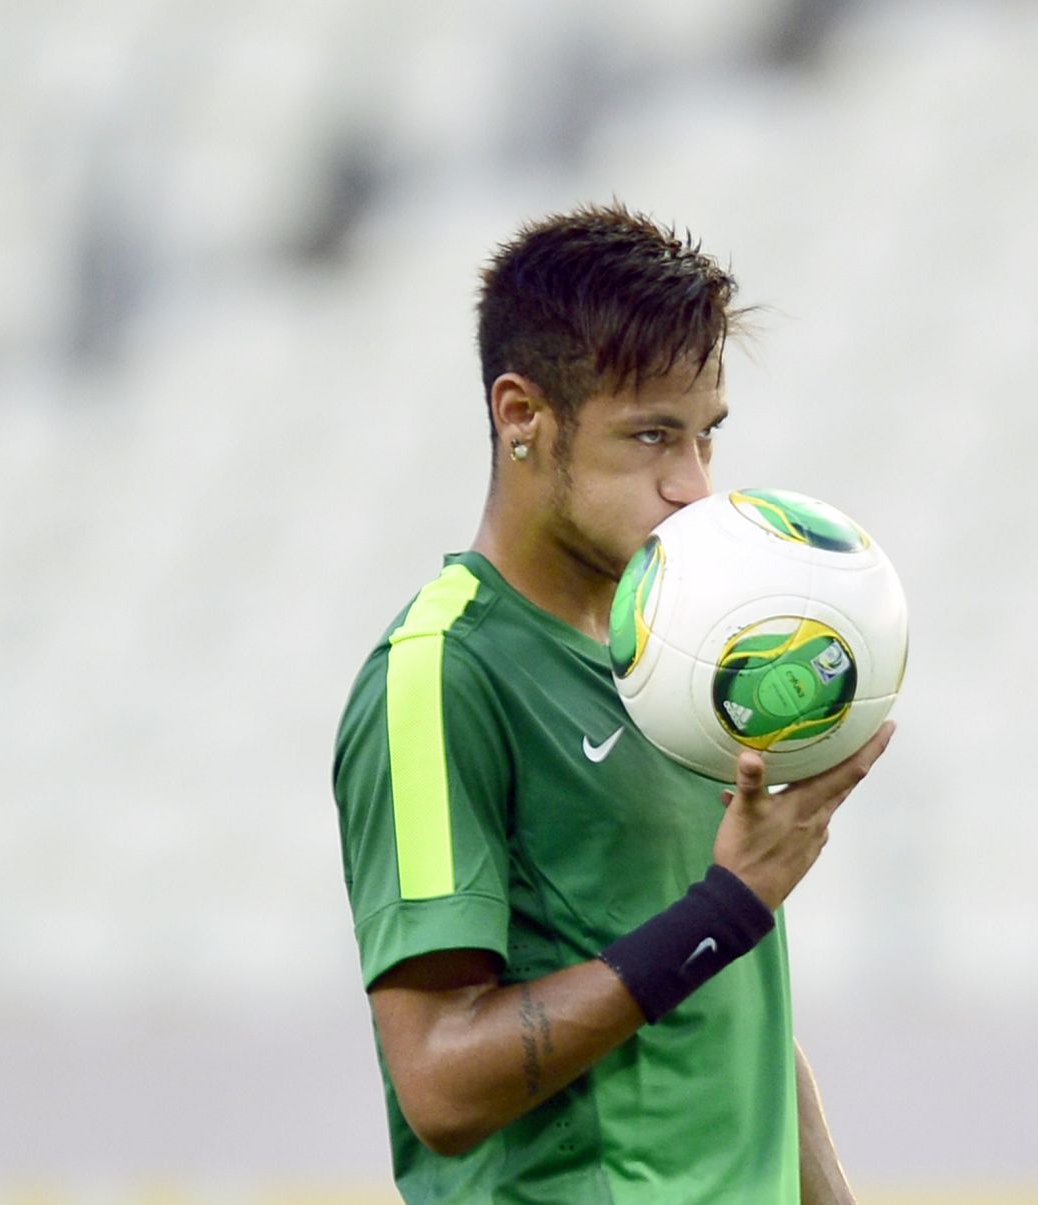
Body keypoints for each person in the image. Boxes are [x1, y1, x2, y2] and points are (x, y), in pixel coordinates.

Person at [331, 203, 894, 1203]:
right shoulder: (444, 672)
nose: (694, 485)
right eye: (651, 436)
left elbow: (722, 1000)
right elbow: (441, 1085)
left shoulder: (687, 657)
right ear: (522, 416)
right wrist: (726, 907)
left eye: (706, 436)